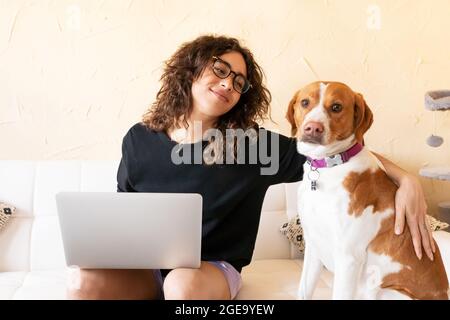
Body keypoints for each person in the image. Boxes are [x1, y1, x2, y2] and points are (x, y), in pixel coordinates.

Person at [68, 35, 434, 300]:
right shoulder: (138, 139)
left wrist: (406, 179)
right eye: (220, 70)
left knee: (181, 283)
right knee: (82, 281)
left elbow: (337, 152)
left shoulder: (251, 145)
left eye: (238, 82)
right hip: (146, 268)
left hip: (207, 273)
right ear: (190, 71)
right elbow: (124, 209)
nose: (228, 84)